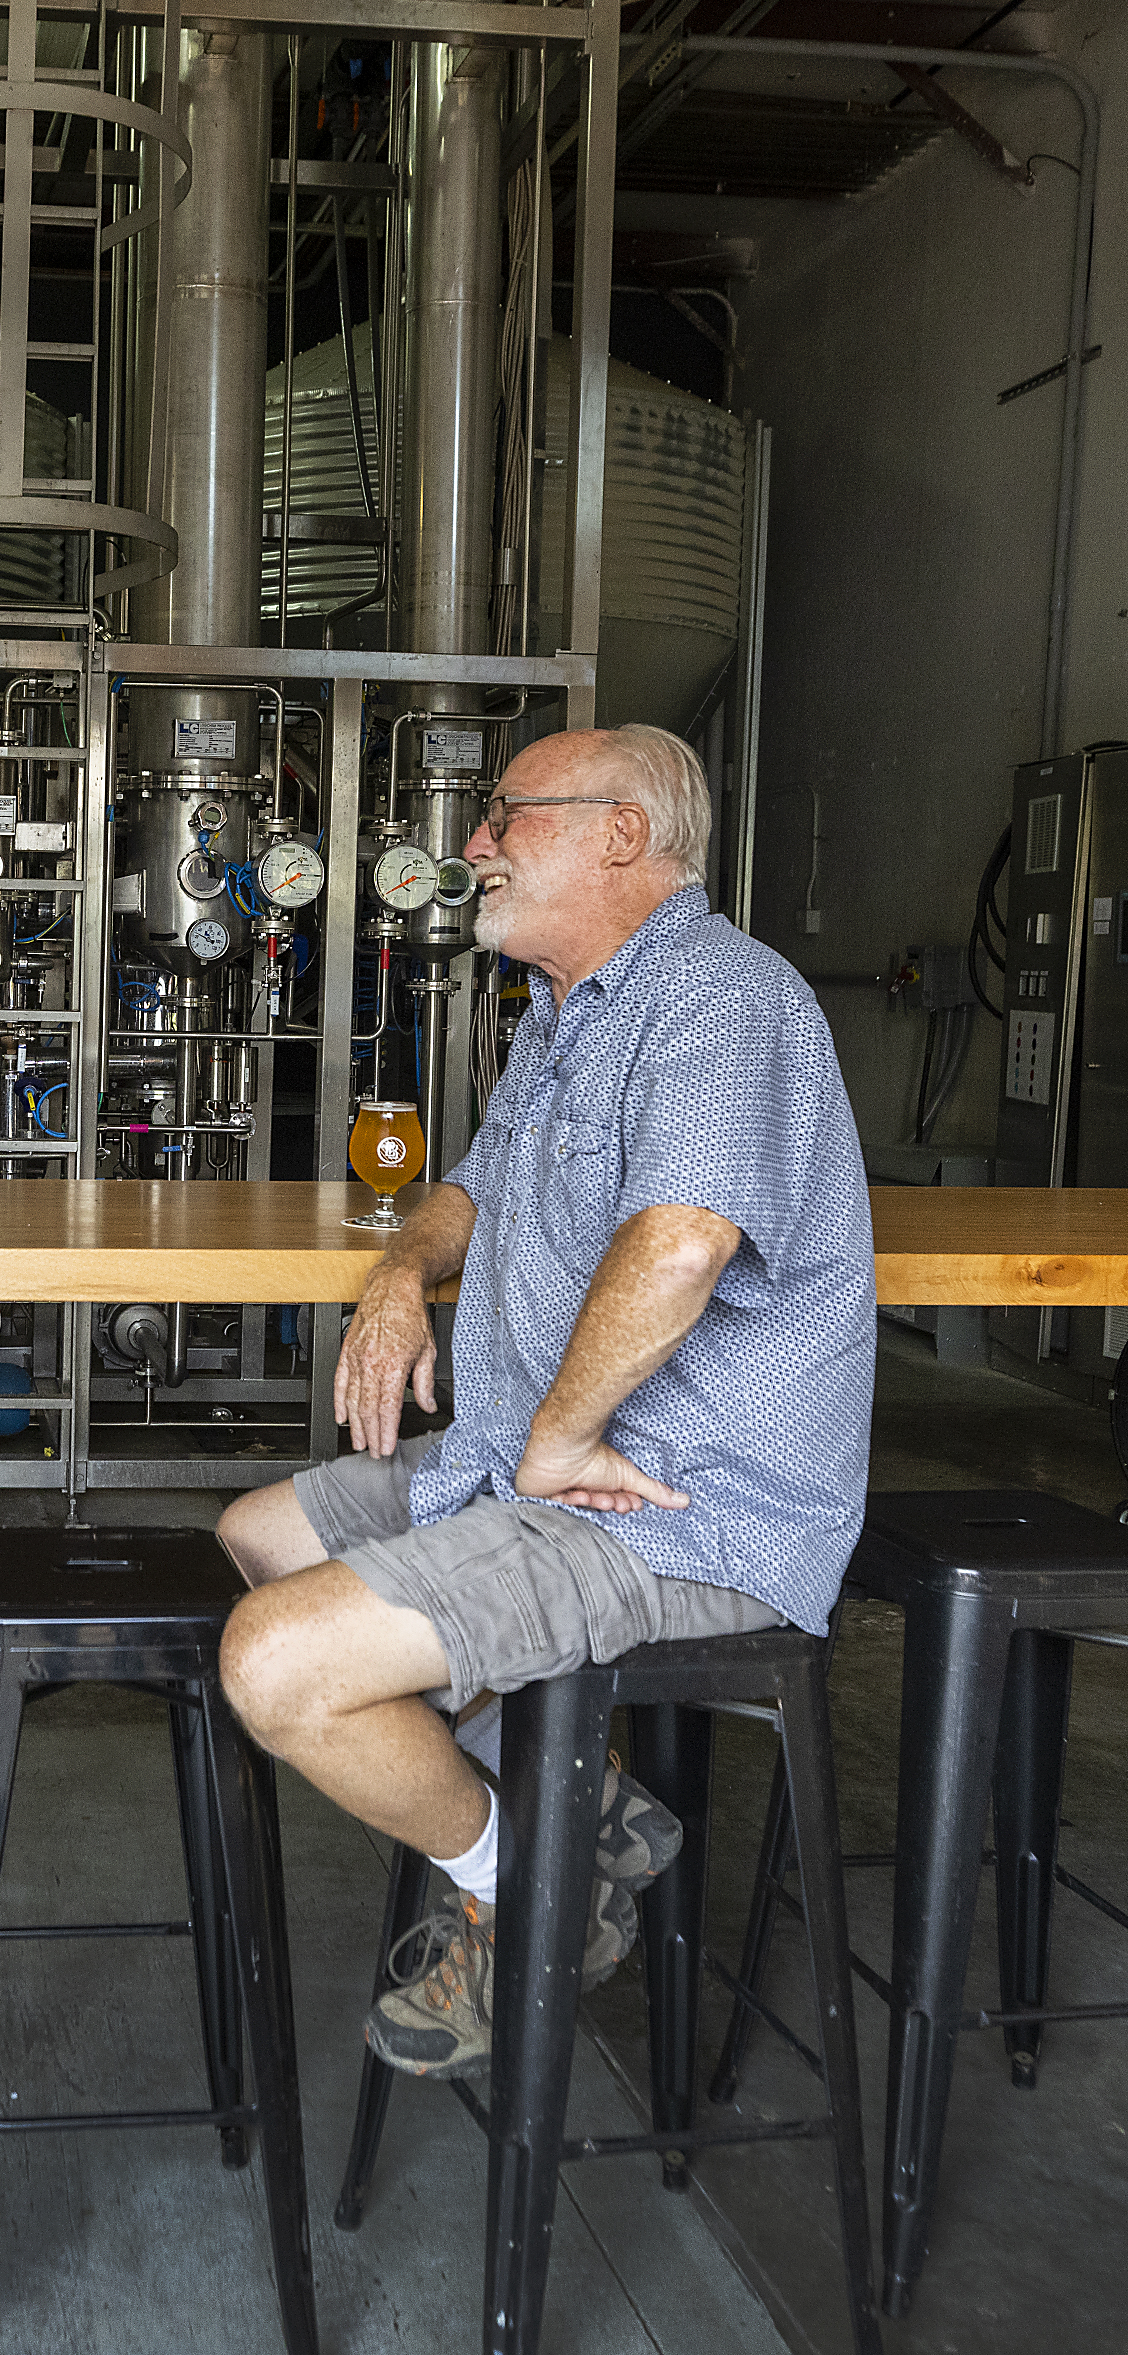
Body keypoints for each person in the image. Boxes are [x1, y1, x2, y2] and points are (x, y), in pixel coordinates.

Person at [215, 723, 872, 2078]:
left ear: (621, 836)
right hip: (533, 1465)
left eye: (508, 815)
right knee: (261, 1531)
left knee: (277, 1664)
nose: (472, 845)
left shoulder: (719, 998)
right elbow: (468, 1184)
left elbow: (683, 1240)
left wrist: (566, 1436)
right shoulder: (574, 1013)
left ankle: (533, 1890)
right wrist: (402, 1272)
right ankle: (590, 1812)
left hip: (674, 1507)